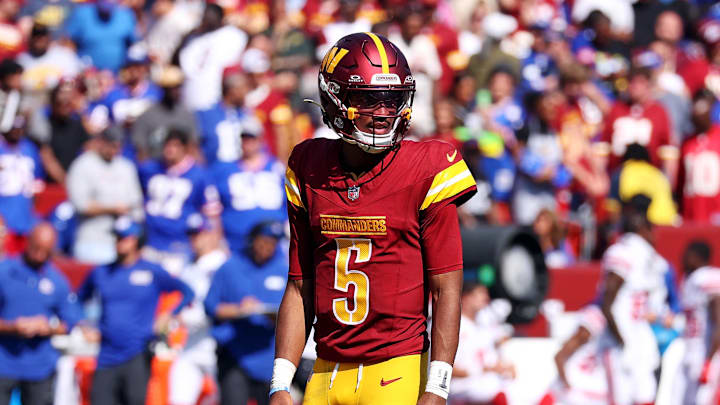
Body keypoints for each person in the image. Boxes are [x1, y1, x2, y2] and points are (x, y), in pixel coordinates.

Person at [270, 33, 476, 405]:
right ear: (335, 97)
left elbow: (446, 290)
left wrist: (437, 386)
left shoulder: (427, 168)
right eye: (368, 99)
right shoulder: (308, 166)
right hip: (325, 372)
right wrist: (280, 381)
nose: (382, 112)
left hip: (396, 370)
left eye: (392, 100)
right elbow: (299, 286)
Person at [77, 218, 194, 405]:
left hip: (138, 352)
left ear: (137, 240)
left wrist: (169, 314)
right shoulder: (101, 272)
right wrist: (83, 325)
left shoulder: (151, 271)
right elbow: (77, 300)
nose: (119, 242)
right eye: (116, 237)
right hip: (106, 354)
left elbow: (187, 292)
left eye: (124, 238)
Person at [204, 221, 287, 405]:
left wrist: (275, 316)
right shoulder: (229, 267)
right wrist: (239, 310)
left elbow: (295, 312)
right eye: (263, 240)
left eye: (273, 242)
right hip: (235, 353)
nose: (267, 246)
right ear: (252, 240)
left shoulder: (284, 270)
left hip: (269, 356)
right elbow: (210, 307)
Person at [0, 223, 82, 405]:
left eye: (45, 251)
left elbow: (69, 322)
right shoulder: (5, 271)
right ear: (28, 242)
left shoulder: (57, 281)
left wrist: (47, 327)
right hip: (4, 362)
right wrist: (12, 326)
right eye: (36, 248)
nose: (39, 255)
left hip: (39, 366)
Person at [599, 194, 667, 405]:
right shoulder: (626, 252)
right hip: (620, 339)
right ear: (641, 230)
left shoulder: (651, 259)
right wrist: (622, 341)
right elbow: (607, 303)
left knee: (645, 395)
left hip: (638, 337)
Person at [138, 128, 220, 275]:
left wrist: (214, 242)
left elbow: (212, 213)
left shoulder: (199, 175)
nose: (170, 150)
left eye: (175, 145)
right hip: (151, 242)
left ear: (185, 148)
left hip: (179, 245)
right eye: (167, 145)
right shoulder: (150, 169)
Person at [168, 213, 227, 405]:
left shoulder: (220, 263)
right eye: (192, 234)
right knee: (178, 398)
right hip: (191, 344)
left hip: (217, 343)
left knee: (227, 398)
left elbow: (216, 304)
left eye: (200, 233)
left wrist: (188, 318)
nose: (195, 239)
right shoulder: (188, 265)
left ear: (211, 234)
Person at [67, 126, 144, 264]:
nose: (114, 151)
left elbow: (136, 204)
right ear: (100, 142)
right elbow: (81, 205)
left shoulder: (126, 167)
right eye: (111, 145)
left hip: (124, 242)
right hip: (93, 241)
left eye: (118, 147)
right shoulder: (83, 165)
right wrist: (112, 209)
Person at [210, 118, 286, 253]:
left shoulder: (277, 169)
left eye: (252, 138)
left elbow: (290, 205)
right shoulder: (225, 170)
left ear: (260, 139)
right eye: (244, 138)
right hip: (235, 242)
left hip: (274, 244)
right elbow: (214, 209)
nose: (248, 143)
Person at [450, 282, 513, 405]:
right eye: (480, 293)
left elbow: (491, 355)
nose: (486, 298)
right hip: (460, 386)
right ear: (465, 297)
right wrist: (483, 369)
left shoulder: (482, 325)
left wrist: (504, 367)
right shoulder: (453, 325)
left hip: (482, 380)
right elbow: (446, 367)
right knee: (501, 393)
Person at [672, 241, 720, 405]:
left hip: (706, 350)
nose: (683, 259)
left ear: (697, 257)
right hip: (690, 348)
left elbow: (718, 321)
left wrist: (709, 361)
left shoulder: (707, 276)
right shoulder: (689, 279)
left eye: (688, 255)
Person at [132, 66, 197, 162]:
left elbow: (192, 147)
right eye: (171, 88)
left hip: (181, 168)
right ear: (163, 89)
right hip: (156, 166)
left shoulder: (187, 115)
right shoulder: (147, 116)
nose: (176, 91)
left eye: (178, 87)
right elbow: (141, 152)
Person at [0, 114, 44, 254]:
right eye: (13, 128)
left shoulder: (29, 149)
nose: (16, 132)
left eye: (20, 128)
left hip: (25, 221)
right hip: (3, 222)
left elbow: (36, 184)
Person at [551, 305, 608, 405]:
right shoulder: (592, 321)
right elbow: (559, 357)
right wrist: (567, 385)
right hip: (575, 392)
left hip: (593, 390)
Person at [195, 66, 252, 164]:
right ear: (233, 90)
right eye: (243, 88)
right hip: (215, 171)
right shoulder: (207, 115)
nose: (246, 93)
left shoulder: (245, 115)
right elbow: (195, 146)